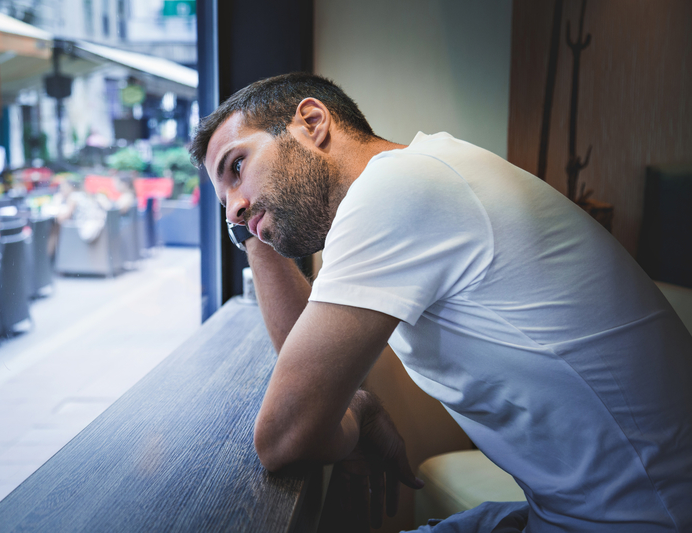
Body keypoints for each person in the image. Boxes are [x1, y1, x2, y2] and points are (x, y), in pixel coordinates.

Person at [189, 73, 692, 532]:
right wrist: (250, 230)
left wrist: (353, 411)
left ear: (313, 122)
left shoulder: (395, 190)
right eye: (224, 205)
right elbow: (308, 371)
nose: (233, 207)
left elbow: (283, 437)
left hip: (646, 519)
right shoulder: (419, 173)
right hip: (574, 513)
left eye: (237, 166)